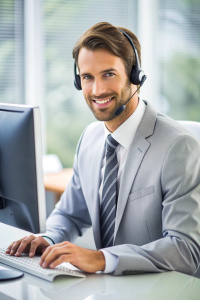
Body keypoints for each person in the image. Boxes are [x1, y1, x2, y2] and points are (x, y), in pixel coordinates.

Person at [7, 22, 200, 276]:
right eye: (87, 77)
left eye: (109, 74)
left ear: (135, 77)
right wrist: (49, 238)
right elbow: (70, 214)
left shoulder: (178, 147)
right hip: (109, 289)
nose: (97, 90)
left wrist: (102, 259)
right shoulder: (90, 138)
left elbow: (185, 249)